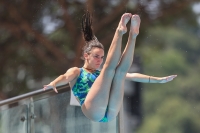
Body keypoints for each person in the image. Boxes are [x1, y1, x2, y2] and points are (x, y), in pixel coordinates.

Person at [43, 11, 177, 122]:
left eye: (102, 57)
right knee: (109, 70)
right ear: (86, 56)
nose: (100, 60)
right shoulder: (77, 71)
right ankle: (119, 31)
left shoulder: (101, 74)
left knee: (120, 73)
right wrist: (54, 83)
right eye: (96, 56)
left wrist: (158, 80)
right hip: (92, 110)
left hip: (110, 114)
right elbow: (65, 76)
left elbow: (131, 75)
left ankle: (133, 35)